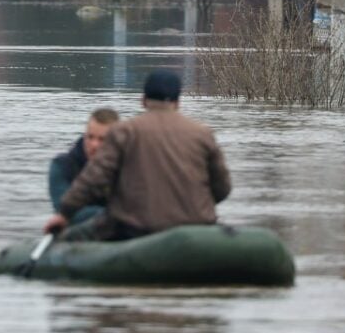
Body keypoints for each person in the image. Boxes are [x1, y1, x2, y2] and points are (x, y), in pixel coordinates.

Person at [42, 71, 232, 242]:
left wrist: (65, 213)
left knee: (77, 236)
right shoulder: (202, 133)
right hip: (199, 226)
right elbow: (222, 188)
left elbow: (94, 177)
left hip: (139, 229)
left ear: (143, 100)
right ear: (177, 102)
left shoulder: (126, 131)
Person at [48, 107, 119, 224]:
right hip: (78, 232)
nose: (94, 145)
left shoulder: (129, 166)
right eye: (90, 137)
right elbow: (64, 210)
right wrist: (115, 214)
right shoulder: (62, 166)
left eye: (102, 139)